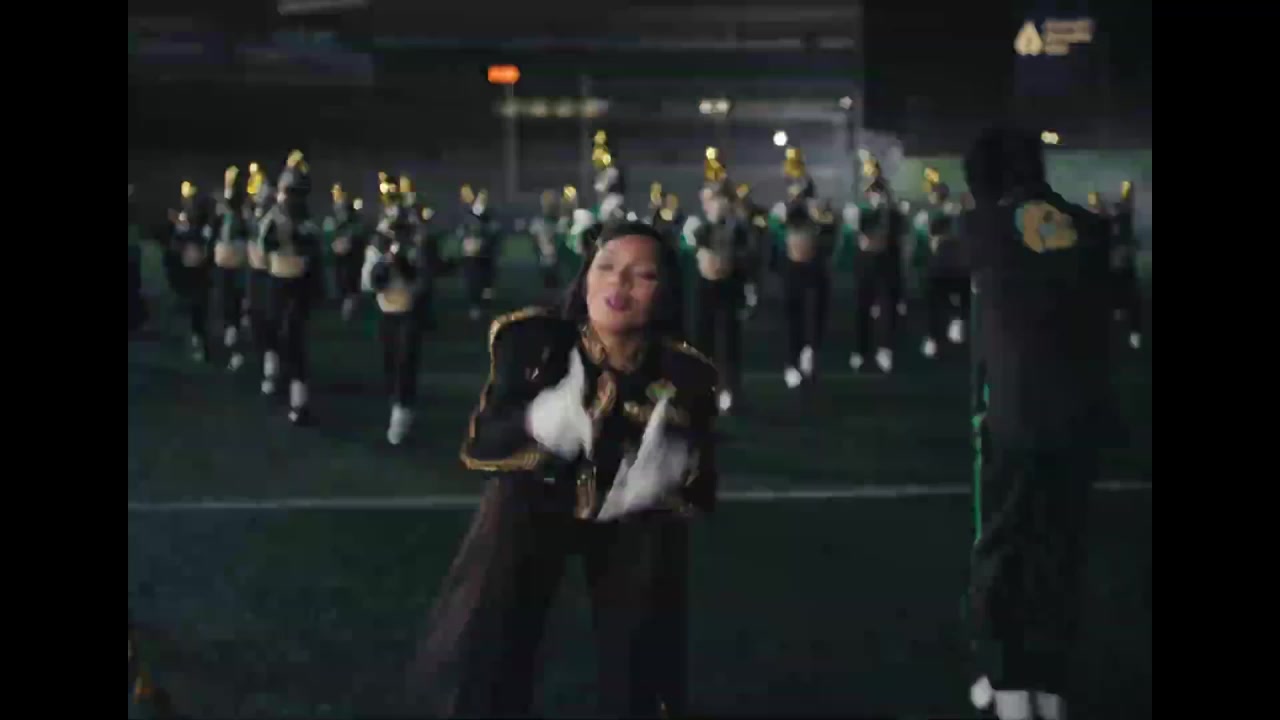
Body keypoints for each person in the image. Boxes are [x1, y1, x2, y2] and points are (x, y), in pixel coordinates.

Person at [406, 221, 720, 719]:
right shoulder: (532, 341)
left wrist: (676, 476)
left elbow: (704, 490)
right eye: (606, 267)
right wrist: (539, 423)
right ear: (585, 275)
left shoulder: (688, 374)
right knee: (492, 628)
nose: (619, 284)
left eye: (642, 275)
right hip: (534, 501)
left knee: (645, 636)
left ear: (666, 293)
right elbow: (480, 444)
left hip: (631, 516)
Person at [963, 127, 1111, 720]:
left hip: (1012, 416)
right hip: (1079, 417)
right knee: (1058, 549)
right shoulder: (1092, 229)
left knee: (1001, 547)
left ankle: (1007, 682)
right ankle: (1048, 685)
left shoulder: (982, 228)